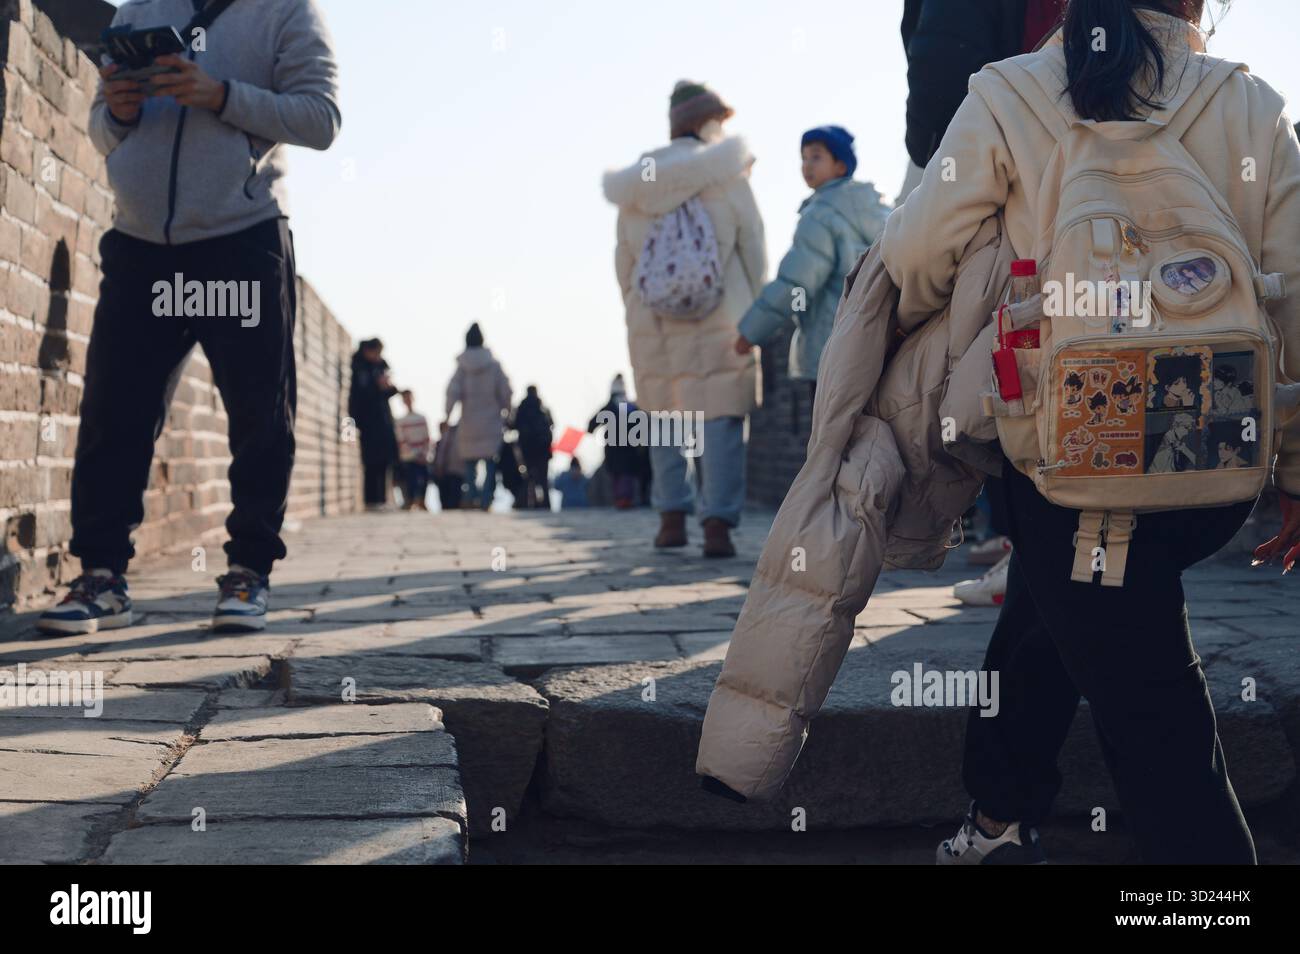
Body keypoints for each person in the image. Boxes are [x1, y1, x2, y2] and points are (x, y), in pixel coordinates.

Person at [881, 0, 1300, 864]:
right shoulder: (1252, 104)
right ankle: (999, 811)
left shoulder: (1010, 91)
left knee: (1155, 718)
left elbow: (917, 253)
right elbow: (1294, 298)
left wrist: (951, 312)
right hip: (1214, 459)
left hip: (1066, 455)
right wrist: (1295, 469)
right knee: (1066, 604)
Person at [38, 0, 341, 637]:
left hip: (241, 237)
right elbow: (102, 129)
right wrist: (117, 111)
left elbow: (321, 118)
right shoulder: (139, 13)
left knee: (259, 412)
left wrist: (220, 95)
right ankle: (102, 577)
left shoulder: (286, 11)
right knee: (112, 414)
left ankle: (248, 572)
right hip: (140, 244)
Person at [902, 1, 1070, 606]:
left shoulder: (1005, 92)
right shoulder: (1240, 97)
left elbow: (940, 53)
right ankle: (1035, 563)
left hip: (1009, 145)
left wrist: (936, 144)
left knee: (1015, 368)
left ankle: (1025, 553)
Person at [602, 80, 766, 557]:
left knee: (662, 417)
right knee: (720, 418)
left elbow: (624, 261)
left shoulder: (636, 184)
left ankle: (671, 518)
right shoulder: (727, 173)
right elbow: (752, 245)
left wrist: (637, 305)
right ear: (705, 122)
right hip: (723, 313)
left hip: (651, 316)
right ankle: (716, 525)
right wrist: (756, 306)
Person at [735, 126, 889, 393]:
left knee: (829, 431)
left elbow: (796, 282)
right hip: (876, 343)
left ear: (840, 165)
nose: (806, 165)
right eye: (803, 158)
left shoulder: (819, 215)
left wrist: (751, 331)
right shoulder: (880, 212)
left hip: (830, 346)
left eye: (816, 157)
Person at [444, 323, 512, 510]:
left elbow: (452, 391)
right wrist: (507, 411)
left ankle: (471, 496)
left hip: (469, 423)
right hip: (491, 422)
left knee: (469, 465)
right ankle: (486, 498)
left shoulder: (462, 367)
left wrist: (447, 415)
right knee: (491, 464)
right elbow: (505, 391)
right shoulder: (494, 365)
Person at [349, 338, 399, 511]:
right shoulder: (359, 367)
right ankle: (371, 501)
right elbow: (361, 395)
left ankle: (382, 499)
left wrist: (387, 387)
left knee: (385, 461)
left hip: (384, 420)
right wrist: (377, 386)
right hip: (368, 422)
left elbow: (391, 391)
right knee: (371, 462)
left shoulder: (381, 366)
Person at [587, 374, 643, 509]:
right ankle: (625, 499)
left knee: (617, 474)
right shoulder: (631, 406)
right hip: (629, 445)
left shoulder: (610, 406)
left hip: (613, 446)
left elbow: (592, 424)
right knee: (626, 474)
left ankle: (621, 499)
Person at [513, 386, 555, 510]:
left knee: (528, 479)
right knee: (543, 479)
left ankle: (528, 503)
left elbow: (513, 425)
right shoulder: (543, 408)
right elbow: (552, 424)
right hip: (543, 449)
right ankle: (545, 504)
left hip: (526, 449)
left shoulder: (521, 408)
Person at [395, 390, 432, 510]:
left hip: (422, 455)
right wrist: (414, 453)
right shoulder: (401, 421)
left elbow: (426, 437)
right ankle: (411, 501)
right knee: (410, 479)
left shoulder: (421, 418)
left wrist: (424, 453)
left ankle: (421, 500)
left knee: (424, 478)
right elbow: (401, 440)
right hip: (408, 456)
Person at [431, 421, 464, 511]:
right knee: (446, 496)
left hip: (452, 470)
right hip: (446, 471)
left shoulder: (451, 439)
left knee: (452, 496)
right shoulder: (441, 441)